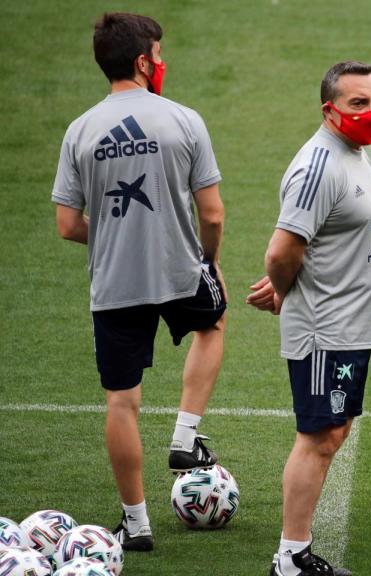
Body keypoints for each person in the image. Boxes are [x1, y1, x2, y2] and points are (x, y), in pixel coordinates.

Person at [51, 12, 227, 553]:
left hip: (114, 283)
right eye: (159, 52)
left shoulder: (80, 130)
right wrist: (208, 260)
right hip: (180, 268)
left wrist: (111, 235)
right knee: (213, 323)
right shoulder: (183, 119)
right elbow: (213, 214)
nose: (162, 60)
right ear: (143, 62)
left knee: (121, 401)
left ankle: (137, 523)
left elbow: (67, 224)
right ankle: (184, 435)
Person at [245, 61, 371, 576]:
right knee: (319, 437)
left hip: (349, 326)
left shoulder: (353, 152)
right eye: (358, 103)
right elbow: (281, 250)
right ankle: (291, 558)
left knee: (334, 431)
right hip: (325, 328)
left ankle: (295, 552)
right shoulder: (319, 166)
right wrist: (284, 289)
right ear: (330, 110)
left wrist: (289, 281)